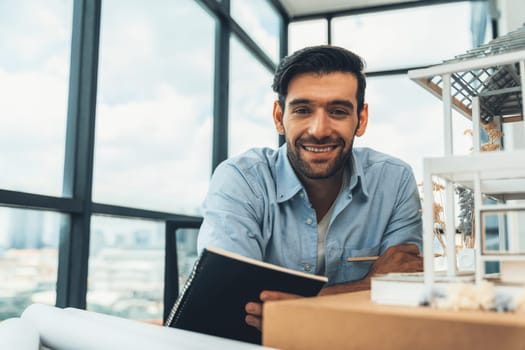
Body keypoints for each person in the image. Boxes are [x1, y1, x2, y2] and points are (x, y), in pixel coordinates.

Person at [197, 45, 423, 331]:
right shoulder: (241, 178)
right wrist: (368, 285)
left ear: (361, 119)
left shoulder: (395, 181)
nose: (319, 130)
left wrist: (288, 308)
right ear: (279, 117)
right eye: (302, 110)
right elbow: (229, 300)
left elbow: (405, 292)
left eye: (338, 111)